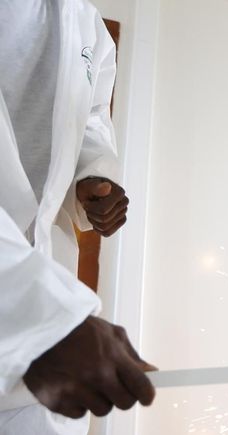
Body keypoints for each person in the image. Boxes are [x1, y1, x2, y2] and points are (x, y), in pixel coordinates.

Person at [0, 0, 155, 434]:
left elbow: (91, 119)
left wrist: (92, 177)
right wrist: (41, 314)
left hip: (46, 276)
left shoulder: (89, 26)